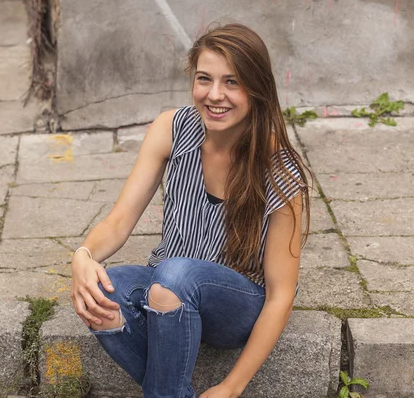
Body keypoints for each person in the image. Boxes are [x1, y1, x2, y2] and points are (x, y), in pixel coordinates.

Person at [70, 23, 311, 398]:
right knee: (107, 290)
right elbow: (119, 221)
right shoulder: (170, 129)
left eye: (232, 82)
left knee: (175, 272)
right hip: (168, 286)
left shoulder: (278, 169)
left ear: (257, 89)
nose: (215, 95)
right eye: (205, 79)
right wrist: (83, 256)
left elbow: (281, 294)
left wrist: (232, 387)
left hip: (234, 307)